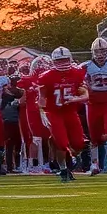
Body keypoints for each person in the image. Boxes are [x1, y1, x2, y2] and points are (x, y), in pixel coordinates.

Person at [36, 46, 88, 182]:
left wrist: (76, 98)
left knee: (78, 144)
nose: (63, 63)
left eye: (65, 60)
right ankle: (63, 169)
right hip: (54, 112)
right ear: (53, 62)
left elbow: (85, 94)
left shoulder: (77, 73)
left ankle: (68, 160)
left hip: (70, 112)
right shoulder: (47, 76)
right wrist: (41, 110)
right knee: (62, 143)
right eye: (59, 61)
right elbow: (41, 96)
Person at [82, 38, 107, 175]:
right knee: (94, 136)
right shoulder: (85, 67)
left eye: (103, 51)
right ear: (93, 52)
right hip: (92, 104)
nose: (101, 54)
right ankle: (95, 164)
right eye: (98, 51)